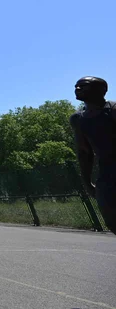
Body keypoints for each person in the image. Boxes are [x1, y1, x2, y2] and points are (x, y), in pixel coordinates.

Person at [69, 76, 116, 235]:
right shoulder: (78, 119)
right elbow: (84, 152)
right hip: (107, 176)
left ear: (100, 90)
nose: (77, 89)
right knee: (111, 218)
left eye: (83, 86)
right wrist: (86, 181)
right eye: (76, 86)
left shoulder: (113, 110)